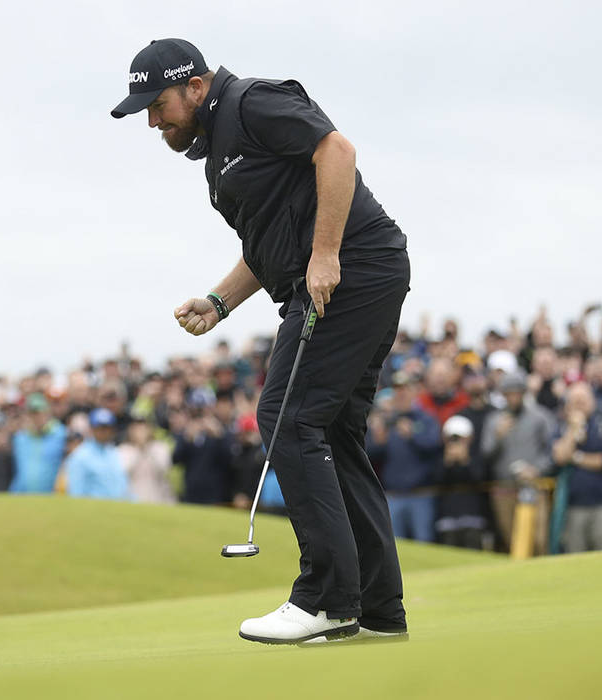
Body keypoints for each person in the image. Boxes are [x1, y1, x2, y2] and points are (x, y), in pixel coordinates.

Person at [113, 38, 410, 642]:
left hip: (349, 270)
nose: (152, 119)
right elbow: (267, 243)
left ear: (196, 85)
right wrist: (218, 303)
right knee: (329, 432)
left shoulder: (252, 102)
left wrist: (326, 253)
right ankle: (380, 611)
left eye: (157, 103)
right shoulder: (217, 151)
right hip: (347, 274)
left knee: (286, 415)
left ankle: (326, 599)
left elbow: (337, 149)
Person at [481, 372, 555, 553]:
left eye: (517, 393)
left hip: (533, 485)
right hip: (504, 488)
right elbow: (485, 454)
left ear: (524, 393)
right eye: (508, 393)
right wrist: (498, 437)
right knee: (510, 540)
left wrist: (537, 469)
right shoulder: (494, 420)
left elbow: (552, 451)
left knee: (538, 540)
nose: (513, 397)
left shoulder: (540, 417)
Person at [551, 382, 602, 553]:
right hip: (574, 507)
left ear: (593, 401)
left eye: (583, 400)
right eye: (575, 401)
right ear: (568, 405)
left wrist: (576, 457)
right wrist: (573, 430)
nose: (580, 405)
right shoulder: (561, 428)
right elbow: (560, 457)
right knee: (576, 559)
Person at [371, 406, 442, 542]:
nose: (402, 394)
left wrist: (413, 435)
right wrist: (377, 438)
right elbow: (370, 453)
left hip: (421, 493)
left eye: (405, 389)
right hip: (393, 494)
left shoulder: (426, 419)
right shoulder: (387, 421)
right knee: (395, 544)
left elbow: (434, 446)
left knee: (424, 541)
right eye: (398, 390)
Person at [436, 415, 488, 549]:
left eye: (460, 438)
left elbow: (479, 480)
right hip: (448, 516)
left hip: (472, 516)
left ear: (469, 438)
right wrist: (447, 463)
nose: (455, 442)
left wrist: (465, 461)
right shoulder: (440, 457)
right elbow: (438, 482)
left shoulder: (477, 456)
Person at [64, 408, 130, 500]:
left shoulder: (114, 452)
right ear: (91, 429)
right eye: (100, 428)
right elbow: (76, 493)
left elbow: (122, 486)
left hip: (117, 510)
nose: (104, 432)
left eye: (107, 428)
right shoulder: (80, 456)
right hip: (93, 511)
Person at [10, 393, 67, 493]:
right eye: (32, 413)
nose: (36, 417)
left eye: (39, 412)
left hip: (50, 497)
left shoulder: (60, 434)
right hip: (23, 497)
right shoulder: (20, 438)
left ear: (47, 412)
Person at [117, 415, 174, 504]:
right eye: (136, 427)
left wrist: (146, 447)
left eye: (144, 427)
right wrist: (139, 447)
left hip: (159, 500)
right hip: (132, 501)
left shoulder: (160, 447)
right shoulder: (123, 449)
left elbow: (164, 470)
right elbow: (124, 471)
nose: (140, 431)